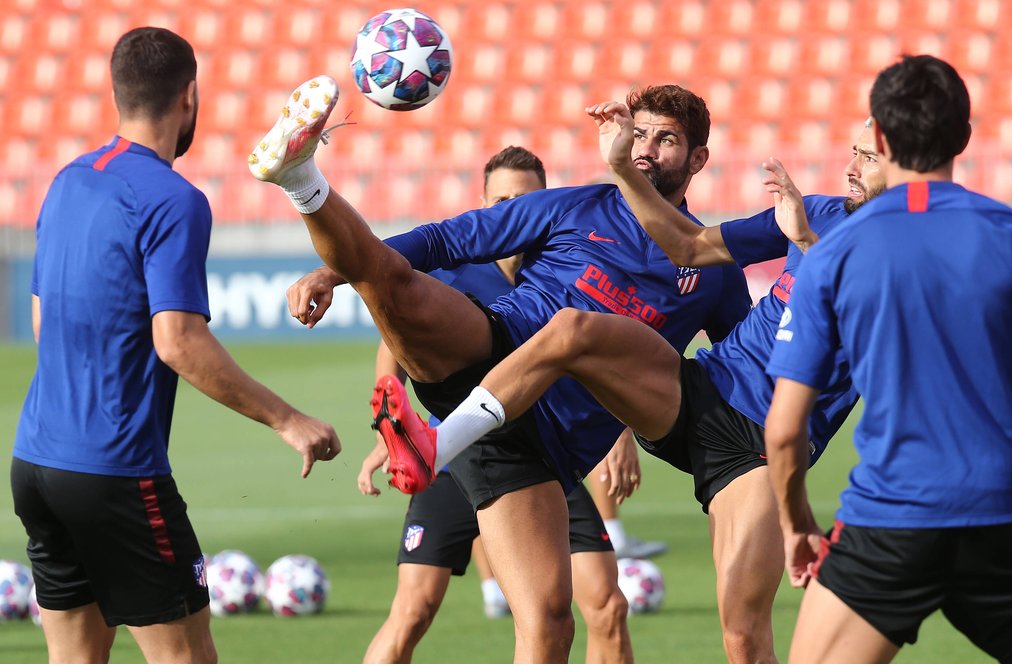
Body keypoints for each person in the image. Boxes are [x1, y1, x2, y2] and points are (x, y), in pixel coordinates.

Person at [369, 101, 887, 663]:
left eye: (867, 157)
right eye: (853, 152)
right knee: (573, 331)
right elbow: (688, 246)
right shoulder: (819, 209)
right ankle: (436, 443)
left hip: (761, 450)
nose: (851, 167)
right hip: (699, 392)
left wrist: (809, 247)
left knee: (742, 633)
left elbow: (858, 334)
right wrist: (621, 167)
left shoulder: (904, 261)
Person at [257, 78, 751, 661]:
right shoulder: (574, 205)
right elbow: (445, 240)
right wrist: (332, 274)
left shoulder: (714, 269)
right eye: (637, 133)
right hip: (491, 354)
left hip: (540, 450)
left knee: (548, 626)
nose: (644, 148)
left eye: (665, 139)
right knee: (392, 282)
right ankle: (302, 179)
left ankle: (433, 443)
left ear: (698, 159)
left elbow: (734, 372)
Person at [9, 28, 340, 664]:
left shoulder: (66, 181)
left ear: (117, 93)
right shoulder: (173, 200)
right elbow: (179, 341)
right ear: (189, 97)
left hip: (37, 465)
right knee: (184, 657)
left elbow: (42, 322)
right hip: (115, 472)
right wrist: (288, 419)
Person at [764, 54, 1012, 664]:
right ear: (963, 136)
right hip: (1006, 513)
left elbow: (782, 431)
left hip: (891, 520)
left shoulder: (834, 254)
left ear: (878, 137)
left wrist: (797, 523)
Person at [332, 146, 631, 662]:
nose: (512, 208)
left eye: (525, 198)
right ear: (484, 202)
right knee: (414, 609)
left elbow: (599, 353)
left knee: (605, 605)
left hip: (544, 452)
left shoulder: (571, 268)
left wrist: (620, 431)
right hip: (454, 453)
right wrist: (389, 432)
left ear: (546, 200)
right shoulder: (454, 274)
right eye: (501, 199)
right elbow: (394, 347)